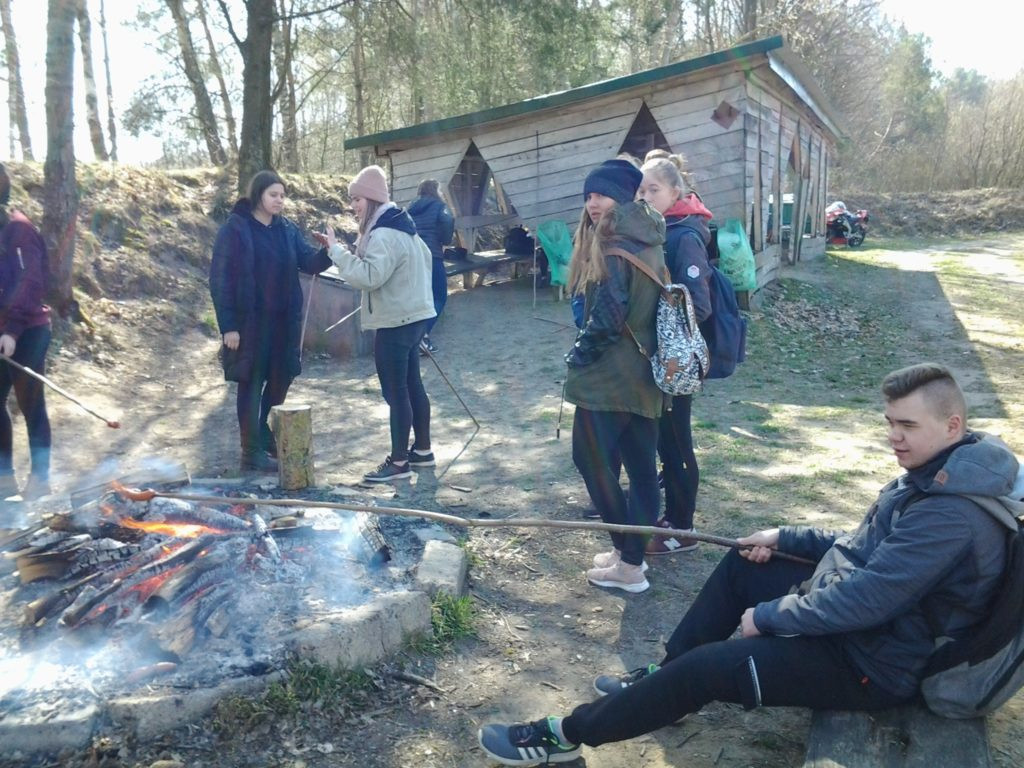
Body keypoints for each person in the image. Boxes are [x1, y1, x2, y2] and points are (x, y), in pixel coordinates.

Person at [478, 363, 1017, 766]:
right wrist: (784, 536)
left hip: (879, 664)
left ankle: (562, 736)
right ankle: (667, 679)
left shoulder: (951, 513)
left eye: (907, 426)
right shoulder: (941, 470)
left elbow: (869, 596)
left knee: (713, 667)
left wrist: (772, 616)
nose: (893, 437)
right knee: (744, 568)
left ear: (952, 425)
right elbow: (863, 543)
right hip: (875, 627)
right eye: (889, 423)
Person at [564, 157, 666, 593]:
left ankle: (627, 557)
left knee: (589, 460)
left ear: (622, 197)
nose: (592, 204)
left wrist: (578, 354)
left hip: (609, 379)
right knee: (642, 470)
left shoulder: (613, 246)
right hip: (645, 374)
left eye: (601, 195)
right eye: (588, 195)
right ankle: (631, 560)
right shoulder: (648, 237)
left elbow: (607, 317)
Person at [209, 170, 332, 472]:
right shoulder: (235, 230)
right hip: (249, 324)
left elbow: (309, 262)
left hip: (283, 323)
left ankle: (263, 434)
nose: (279, 200)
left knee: (281, 379)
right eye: (273, 195)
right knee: (251, 384)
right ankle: (250, 452)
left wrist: (329, 250)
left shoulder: (286, 229)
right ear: (259, 195)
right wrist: (229, 327)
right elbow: (220, 279)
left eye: (282, 195)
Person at [324, 165, 436, 483]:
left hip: (396, 322)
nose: (353, 206)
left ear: (371, 199)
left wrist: (335, 251)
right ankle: (423, 452)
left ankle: (399, 462)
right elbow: (427, 261)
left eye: (357, 199)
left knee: (396, 391)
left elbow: (368, 277)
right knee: (412, 384)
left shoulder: (384, 233)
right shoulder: (404, 227)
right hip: (413, 317)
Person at [637, 151, 715, 556]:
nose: (646, 196)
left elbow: (697, 305)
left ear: (674, 191)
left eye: (654, 189)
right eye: (642, 189)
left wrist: (664, 332)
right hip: (661, 356)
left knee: (677, 443)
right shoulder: (662, 230)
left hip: (677, 359)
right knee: (664, 442)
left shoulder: (683, 236)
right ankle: (669, 517)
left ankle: (683, 527)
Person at [0, 164, 52, 502]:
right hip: (4, 330)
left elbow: (29, 282)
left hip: (29, 330)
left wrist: (12, 330)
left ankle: (40, 480)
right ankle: (5, 481)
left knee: (31, 403)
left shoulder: (18, 230)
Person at [407, 179, 454, 355]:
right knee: (440, 296)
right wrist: (445, 240)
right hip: (432, 256)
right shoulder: (440, 206)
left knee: (420, 298)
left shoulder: (410, 208)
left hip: (413, 258)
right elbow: (448, 223)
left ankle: (419, 337)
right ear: (436, 191)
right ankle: (422, 335)